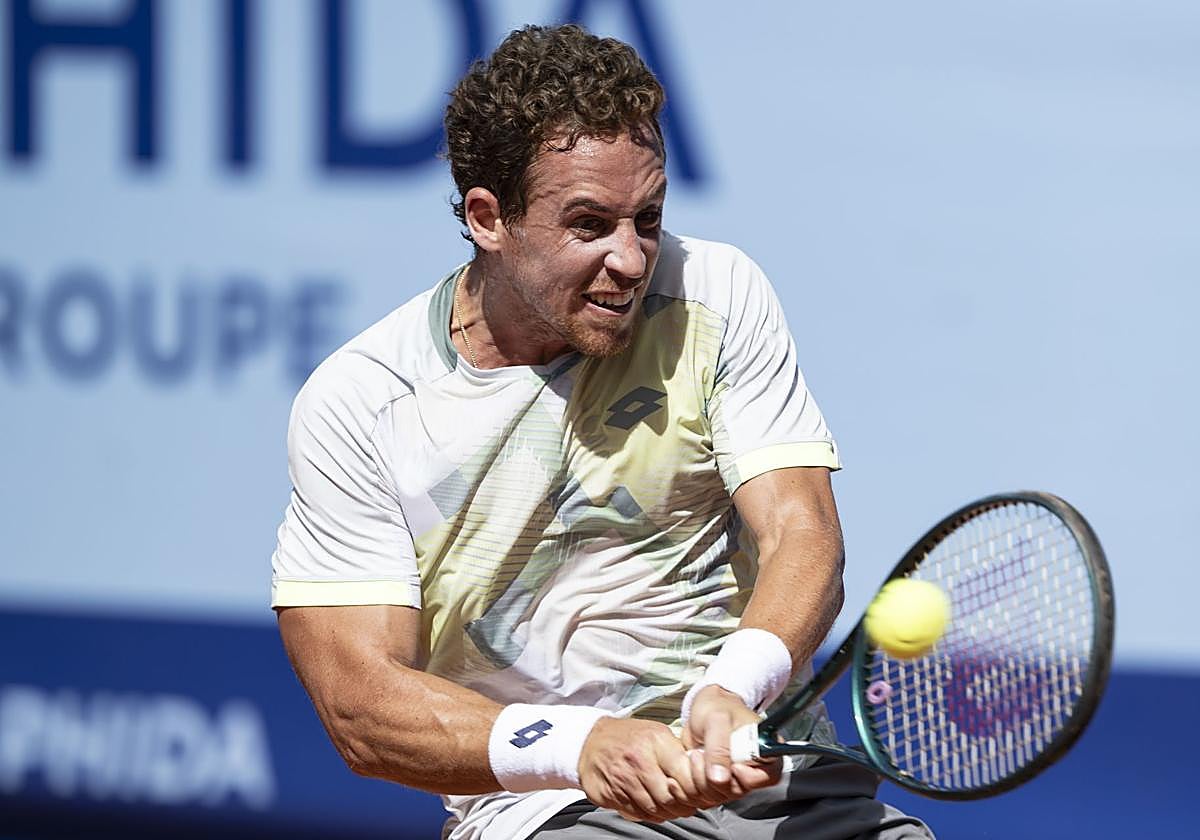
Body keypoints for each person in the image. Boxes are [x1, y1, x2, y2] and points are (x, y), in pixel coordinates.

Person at [271, 23, 933, 840]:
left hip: (776, 780)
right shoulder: (361, 404)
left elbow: (804, 533)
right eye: (590, 224)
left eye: (647, 218)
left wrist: (731, 686)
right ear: (487, 217)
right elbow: (360, 707)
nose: (630, 258)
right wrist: (579, 747)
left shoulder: (716, 296)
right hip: (553, 810)